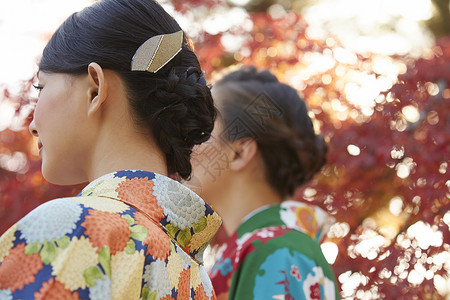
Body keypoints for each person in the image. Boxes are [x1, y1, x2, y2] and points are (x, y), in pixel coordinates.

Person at [0, 0, 222, 299]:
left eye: (42, 88)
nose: (32, 125)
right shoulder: (191, 271)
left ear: (95, 88)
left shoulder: (74, 230)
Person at [189, 66, 339, 299]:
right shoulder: (269, 248)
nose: (187, 145)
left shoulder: (277, 251)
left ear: (240, 152)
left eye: (204, 130)